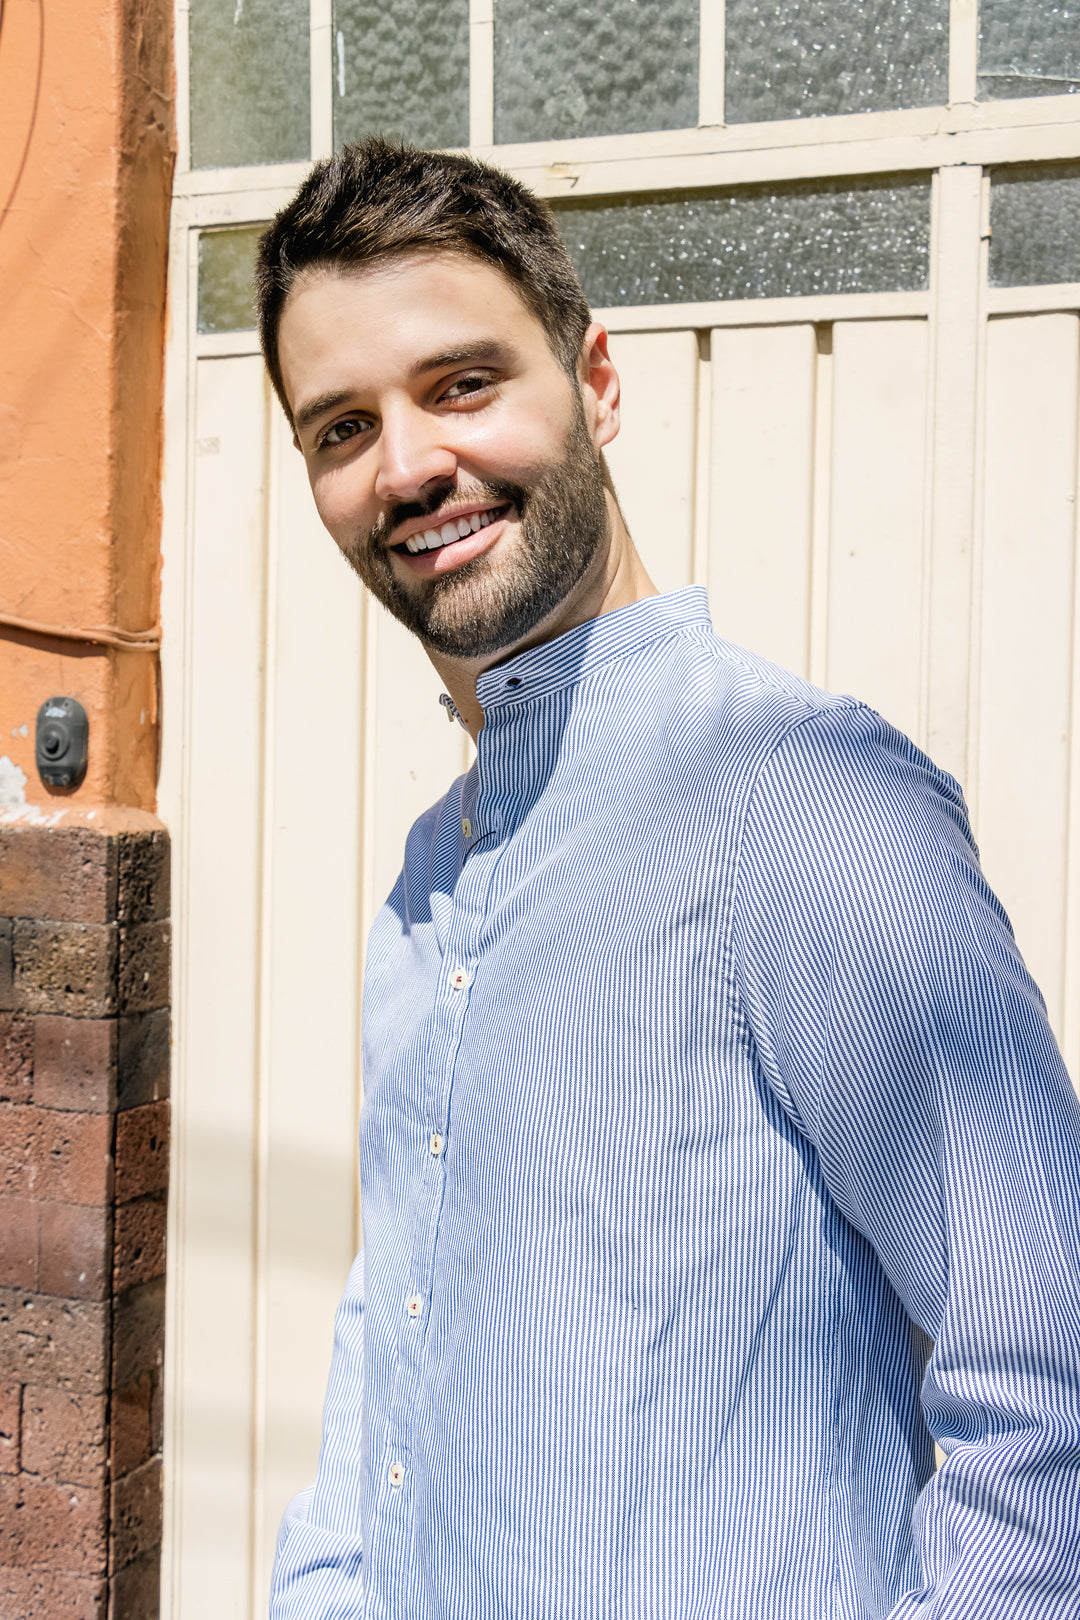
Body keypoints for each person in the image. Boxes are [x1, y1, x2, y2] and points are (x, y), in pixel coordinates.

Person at [256, 138, 1080, 1619]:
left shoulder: (802, 798)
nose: (409, 466)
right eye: (340, 426)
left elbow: (1048, 1397)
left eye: (462, 384)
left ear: (599, 384)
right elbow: (401, 1339)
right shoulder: (429, 884)